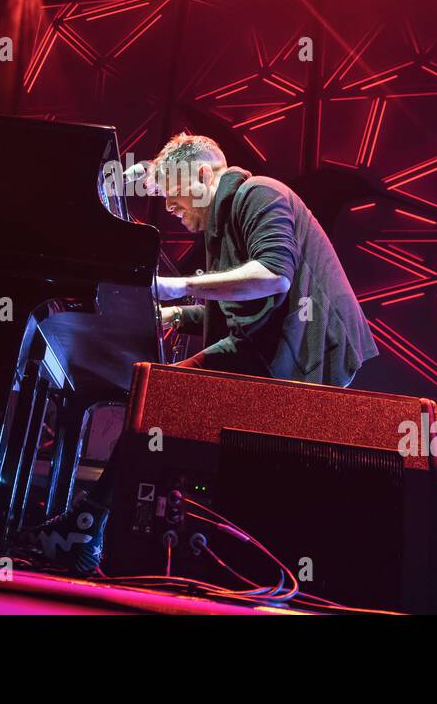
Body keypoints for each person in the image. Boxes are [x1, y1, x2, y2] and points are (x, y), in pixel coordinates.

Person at [32, 133, 378, 573]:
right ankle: (100, 527)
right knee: (167, 401)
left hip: (307, 355)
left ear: (201, 173)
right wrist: (178, 316)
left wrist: (180, 287)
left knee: (160, 395)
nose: (170, 207)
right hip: (275, 350)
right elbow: (244, 309)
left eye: (173, 193)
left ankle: (85, 526)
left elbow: (273, 276)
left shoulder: (258, 193)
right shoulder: (227, 219)